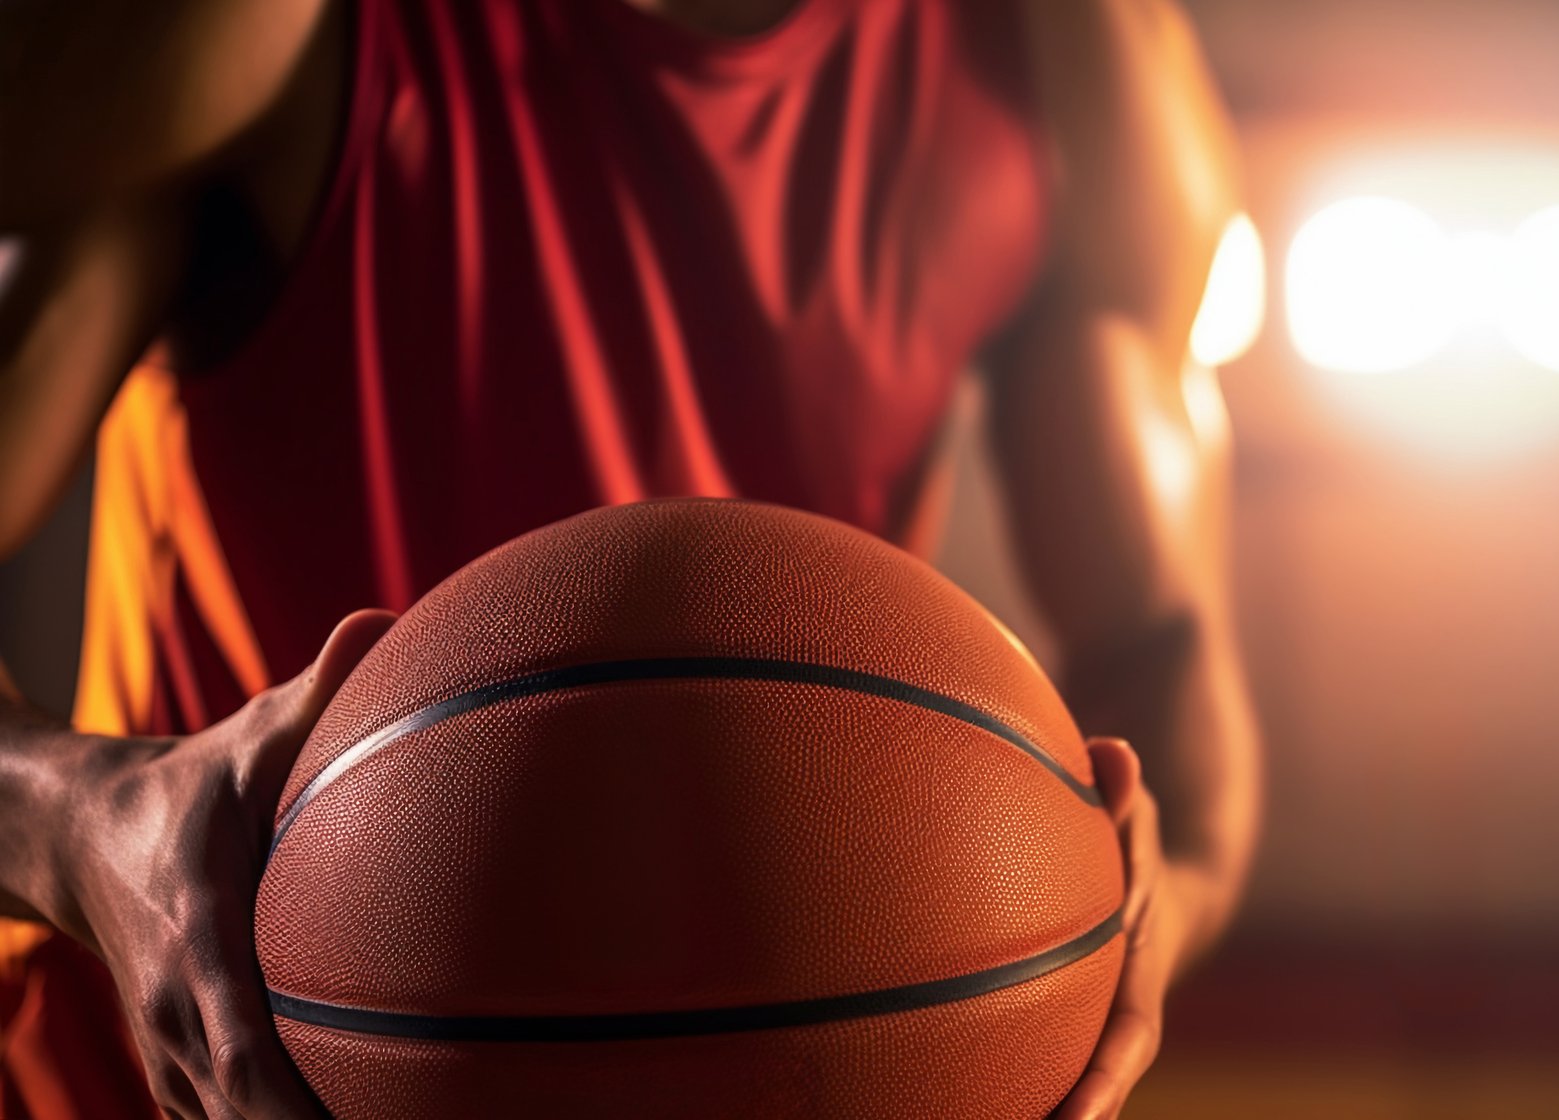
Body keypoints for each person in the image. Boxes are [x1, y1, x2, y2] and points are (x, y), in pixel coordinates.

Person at [0, 0, 1261, 1115]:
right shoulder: (251, 34)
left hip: (756, 1048)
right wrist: (83, 825)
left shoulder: (1062, 64)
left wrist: (1121, 917)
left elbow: (1163, 667)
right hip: (173, 1081)